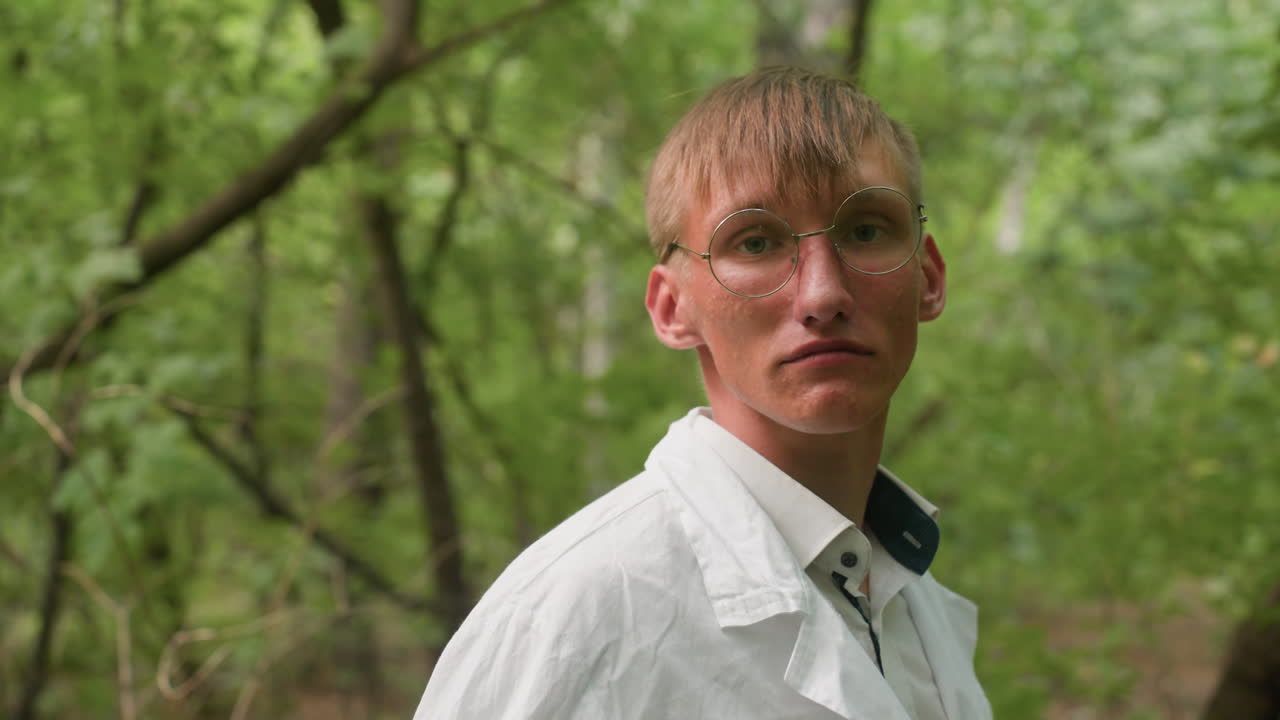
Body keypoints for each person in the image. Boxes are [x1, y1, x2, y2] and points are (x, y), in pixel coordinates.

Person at [413, 66, 991, 720]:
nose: (824, 293)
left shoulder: (906, 597)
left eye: (864, 230)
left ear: (929, 276)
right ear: (670, 307)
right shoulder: (574, 615)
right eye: (755, 241)